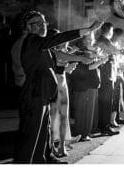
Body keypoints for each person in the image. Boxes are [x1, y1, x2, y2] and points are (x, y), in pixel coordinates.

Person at [13, 11, 100, 164]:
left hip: (43, 94)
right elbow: (59, 38)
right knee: (31, 134)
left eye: (44, 22)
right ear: (28, 27)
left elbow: (55, 61)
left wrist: (78, 57)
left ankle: (43, 159)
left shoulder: (41, 44)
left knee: (43, 131)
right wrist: (87, 30)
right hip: (34, 94)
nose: (42, 26)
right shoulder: (33, 41)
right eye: (37, 23)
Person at [69, 35, 103, 142]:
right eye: (87, 39)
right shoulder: (79, 52)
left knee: (89, 111)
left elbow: (95, 66)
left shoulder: (93, 52)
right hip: (82, 85)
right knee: (81, 111)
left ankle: (87, 132)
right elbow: (86, 68)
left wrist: (99, 58)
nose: (90, 41)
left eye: (92, 39)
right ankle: (81, 133)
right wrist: (101, 60)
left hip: (92, 84)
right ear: (83, 40)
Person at [48, 29, 76, 158]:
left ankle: (63, 145)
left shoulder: (63, 51)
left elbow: (64, 59)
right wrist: (78, 58)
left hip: (63, 83)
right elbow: (60, 59)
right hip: (55, 84)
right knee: (54, 116)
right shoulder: (51, 51)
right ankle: (53, 146)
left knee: (64, 115)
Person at [94, 23, 121, 136]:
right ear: (109, 30)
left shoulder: (103, 40)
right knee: (106, 102)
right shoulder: (104, 40)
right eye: (112, 30)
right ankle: (104, 126)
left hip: (107, 74)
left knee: (106, 102)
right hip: (106, 75)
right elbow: (115, 51)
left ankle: (103, 125)